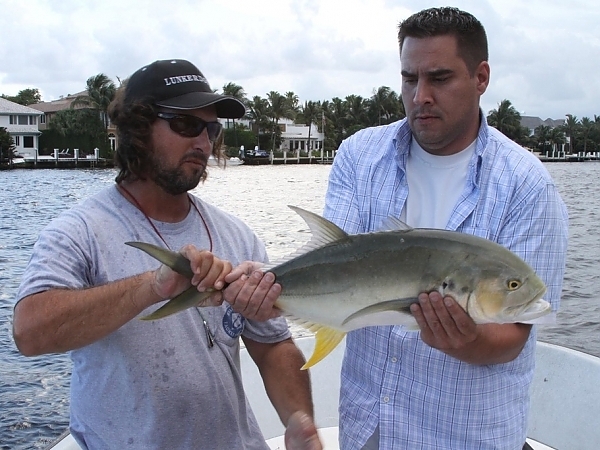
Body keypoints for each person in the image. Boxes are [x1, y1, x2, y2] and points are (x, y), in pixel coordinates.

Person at [12, 59, 321, 450]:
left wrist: (298, 419)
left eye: (211, 129)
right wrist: (153, 286)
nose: (204, 143)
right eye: (186, 125)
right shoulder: (80, 231)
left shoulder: (237, 235)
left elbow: (273, 345)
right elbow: (29, 333)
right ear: (138, 129)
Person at [320, 7, 569, 450]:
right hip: (367, 426)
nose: (420, 97)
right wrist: (263, 290)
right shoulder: (359, 155)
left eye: (439, 78)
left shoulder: (527, 186)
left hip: (464, 435)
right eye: (410, 79)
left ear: (481, 77)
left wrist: (465, 338)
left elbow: (514, 333)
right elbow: (329, 264)